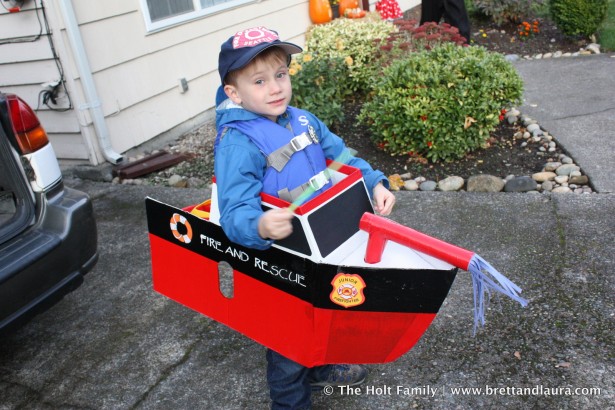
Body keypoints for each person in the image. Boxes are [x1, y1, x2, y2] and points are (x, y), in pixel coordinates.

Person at [214, 26, 396, 409]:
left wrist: (375, 182)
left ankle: (321, 365)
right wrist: (260, 225)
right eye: (259, 81)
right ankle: (290, 401)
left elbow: (344, 159)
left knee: (326, 309)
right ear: (234, 93)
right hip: (279, 255)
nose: (275, 87)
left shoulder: (305, 121)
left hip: (323, 239)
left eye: (280, 74)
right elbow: (233, 212)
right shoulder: (238, 143)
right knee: (287, 339)